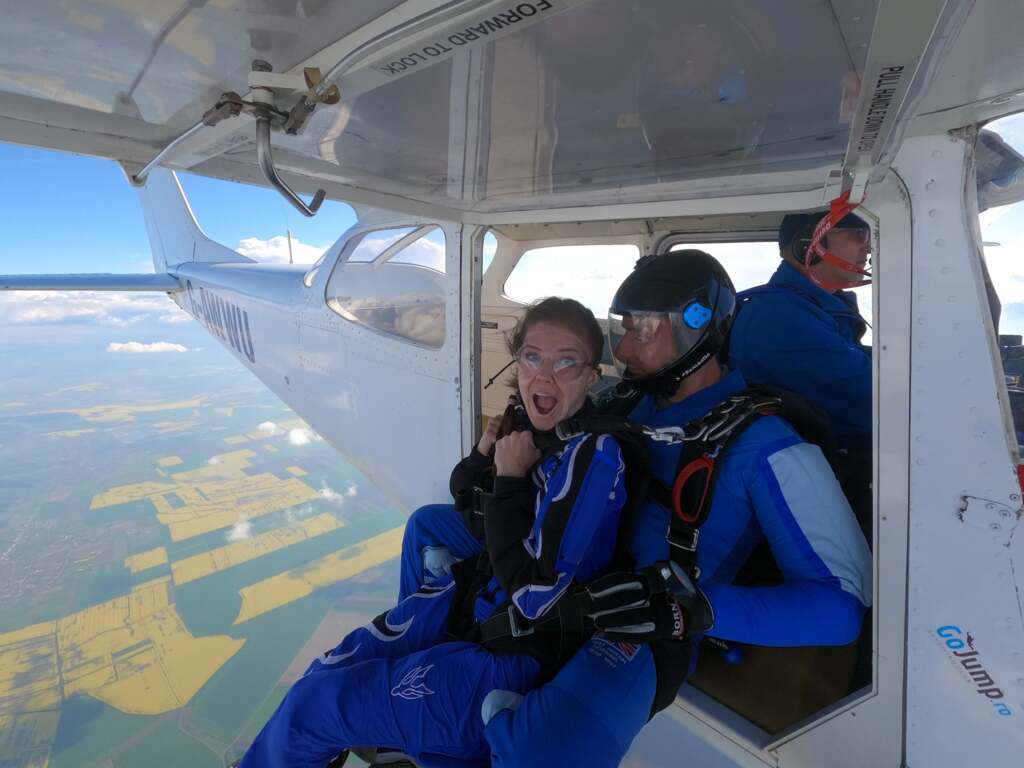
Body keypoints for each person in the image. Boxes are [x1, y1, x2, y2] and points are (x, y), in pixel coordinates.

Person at [401, 250, 872, 767]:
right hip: (565, 562)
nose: (623, 349)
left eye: (641, 331)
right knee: (430, 528)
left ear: (696, 329)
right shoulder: (629, 402)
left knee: (542, 753)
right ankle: (420, 668)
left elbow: (841, 608)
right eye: (623, 328)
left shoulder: (766, 445)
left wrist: (687, 610)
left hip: (640, 623)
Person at [238, 297, 628, 768]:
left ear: (591, 375)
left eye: (565, 362)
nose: (544, 375)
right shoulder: (537, 433)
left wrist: (509, 480)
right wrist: (489, 456)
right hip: (477, 608)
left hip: (510, 656)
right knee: (324, 672)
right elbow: (471, 503)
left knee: (312, 709)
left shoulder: (592, 456)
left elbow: (535, 597)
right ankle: (403, 740)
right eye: (532, 357)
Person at [729, 207, 872, 452]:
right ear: (808, 245)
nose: (868, 247)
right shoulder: (778, 319)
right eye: (858, 234)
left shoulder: (814, 309)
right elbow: (875, 400)